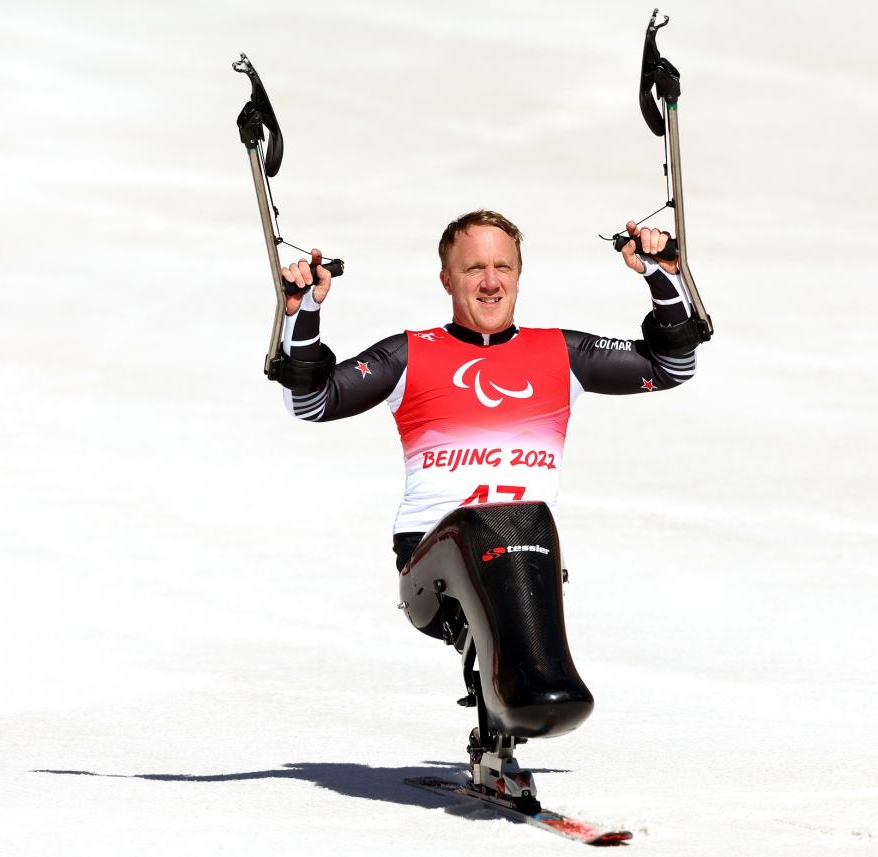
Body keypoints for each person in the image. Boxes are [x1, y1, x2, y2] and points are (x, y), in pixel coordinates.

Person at [270, 210, 701, 799]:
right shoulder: (409, 355)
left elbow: (672, 366)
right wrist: (304, 312)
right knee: (488, 522)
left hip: (525, 555)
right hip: (433, 570)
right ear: (447, 279)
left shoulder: (559, 353)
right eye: (474, 268)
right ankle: (532, 695)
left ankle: (506, 727)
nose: (491, 281)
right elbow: (313, 403)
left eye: (503, 267)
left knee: (524, 519)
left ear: (520, 276)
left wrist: (662, 276)